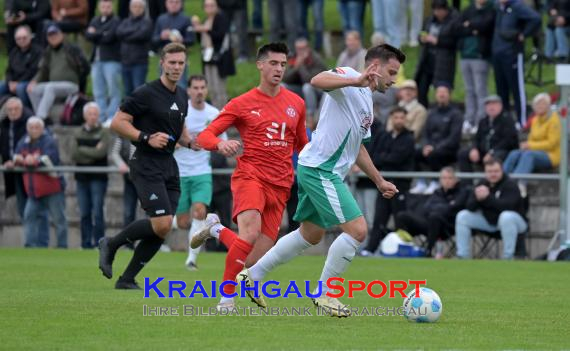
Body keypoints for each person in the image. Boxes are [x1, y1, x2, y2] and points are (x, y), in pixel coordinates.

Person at [237, 44, 404, 317]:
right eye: (391, 72)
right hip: (320, 170)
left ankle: (252, 275)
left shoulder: (367, 104)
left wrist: (379, 180)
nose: (394, 79)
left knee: (310, 234)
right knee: (358, 230)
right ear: (374, 66)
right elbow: (316, 80)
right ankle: (326, 293)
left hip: (320, 169)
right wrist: (355, 79)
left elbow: (358, 147)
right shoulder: (349, 76)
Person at [192, 42, 309, 310]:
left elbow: (303, 144)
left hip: (281, 185)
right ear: (260, 65)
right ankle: (226, 298)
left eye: (282, 64)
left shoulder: (296, 103)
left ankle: (216, 229)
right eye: (273, 63)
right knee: (249, 233)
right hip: (251, 177)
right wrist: (220, 144)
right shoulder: (242, 103)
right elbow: (205, 135)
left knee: (255, 257)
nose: (279, 68)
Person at [98, 43, 197, 289]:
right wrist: (146, 137)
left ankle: (127, 279)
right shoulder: (145, 93)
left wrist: (193, 142)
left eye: (180, 63)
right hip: (145, 163)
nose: (176, 67)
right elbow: (117, 123)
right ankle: (111, 243)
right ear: (161, 63)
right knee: (162, 223)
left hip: (169, 165)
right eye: (172, 62)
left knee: (162, 229)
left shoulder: (183, 95)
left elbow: (181, 131)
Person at [172, 75, 227, 270]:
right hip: (180, 173)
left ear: (206, 90)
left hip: (202, 172)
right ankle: (164, 223)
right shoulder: (180, 111)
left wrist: (220, 146)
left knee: (199, 212)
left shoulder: (213, 114)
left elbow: (221, 141)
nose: (199, 91)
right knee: (183, 222)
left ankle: (191, 260)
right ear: (188, 90)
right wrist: (178, 145)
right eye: (195, 87)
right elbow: (168, 138)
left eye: (202, 87)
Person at [360, 106, 415, 257]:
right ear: (391, 118)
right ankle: (370, 250)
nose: (399, 120)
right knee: (379, 219)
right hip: (384, 184)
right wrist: (386, 158)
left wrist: (385, 158)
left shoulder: (409, 138)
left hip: (400, 186)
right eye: (396, 117)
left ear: (406, 119)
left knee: (400, 219)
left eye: (402, 117)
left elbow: (397, 158)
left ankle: (400, 249)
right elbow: (376, 157)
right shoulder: (386, 136)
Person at [456, 158, 527, 259]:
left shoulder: (510, 184)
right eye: (489, 171)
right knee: (462, 216)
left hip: (517, 223)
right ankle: (462, 255)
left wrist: (487, 198)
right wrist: (477, 198)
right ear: (485, 172)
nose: (493, 174)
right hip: (491, 222)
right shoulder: (482, 184)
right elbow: (469, 207)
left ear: (502, 171)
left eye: (496, 171)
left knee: (506, 217)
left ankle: (508, 256)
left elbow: (507, 207)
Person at [14, 117, 68, 248]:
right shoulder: (23, 141)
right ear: (27, 129)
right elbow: (16, 155)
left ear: (42, 129)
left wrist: (35, 160)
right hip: (34, 191)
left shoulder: (49, 141)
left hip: (52, 189)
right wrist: (20, 159)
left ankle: (62, 247)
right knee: (28, 216)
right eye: (31, 127)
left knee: (59, 220)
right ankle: (30, 246)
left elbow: (50, 158)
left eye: (36, 127)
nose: (34, 130)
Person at [395, 167, 468, 258]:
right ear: (440, 180)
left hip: (447, 227)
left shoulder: (462, 192)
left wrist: (440, 207)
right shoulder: (437, 192)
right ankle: (402, 247)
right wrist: (444, 206)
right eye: (444, 178)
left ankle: (428, 251)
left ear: (455, 180)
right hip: (430, 224)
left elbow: (451, 209)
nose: (447, 181)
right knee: (402, 216)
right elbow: (427, 208)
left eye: (450, 178)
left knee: (435, 216)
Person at [492, 0, 541, 126]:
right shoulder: (498, 7)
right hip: (498, 53)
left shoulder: (517, 6)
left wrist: (524, 34)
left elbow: (535, 18)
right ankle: (505, 122)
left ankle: (522, 121)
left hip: (512, 53)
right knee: (501, 90)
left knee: (516, 88)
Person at [27, 24, 90, 121]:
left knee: (50, 87)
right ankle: (44, 117)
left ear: (61, 35)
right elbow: (43, 70)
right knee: (32, 89)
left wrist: (81, 86)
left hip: (72, 85)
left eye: (55, 34)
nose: (53, 37)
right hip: (55, 86)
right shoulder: (48, 51)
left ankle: (40, 118)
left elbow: (85, 67)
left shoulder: (71, 48)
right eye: (50, 35)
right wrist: (34, 81)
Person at [503, 93, 561, 197]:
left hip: (551, 155)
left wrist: (530, 145)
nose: (540, 107)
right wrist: (526, 145)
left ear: (548, 106)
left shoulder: (554, 120)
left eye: (543, 104)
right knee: (514, 153)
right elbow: (531, 139)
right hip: (535, 151)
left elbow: (552, 143)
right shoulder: (535, 120)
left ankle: (517, 184)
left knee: (528, 155)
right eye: (537, 105)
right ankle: (501, 180)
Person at [71, 102, 112, 249]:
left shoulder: (104, 132)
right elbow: (74, 154)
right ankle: (85, 244)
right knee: (84, 212)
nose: (93, 117)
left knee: (98, 211)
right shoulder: (77, 132)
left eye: (95, 114)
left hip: (98, 179)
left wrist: (83, 149)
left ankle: (99, 243)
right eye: (90, 114)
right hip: (82, 178)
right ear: (84, 115)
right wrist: (92, 152)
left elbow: (101, 153)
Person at [410, 84, 463, 195]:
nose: (441, 94)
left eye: (444, 92)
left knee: (434, 154)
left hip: (448, 149)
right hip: (431, 147)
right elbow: (425, 133)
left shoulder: (456, 114)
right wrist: (425, 146)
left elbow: (454, 137)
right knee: (414, 152)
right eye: (439, 92)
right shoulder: (432, 113)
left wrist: (434, 148)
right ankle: (421, 182)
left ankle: (435, 181)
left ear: (449, 95)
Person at [457, 0, 496, 133]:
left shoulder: (491, 9)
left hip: (480, 56)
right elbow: (459, 28)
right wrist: (474, 28)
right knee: (469, 90)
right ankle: (469, 119)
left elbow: (486, 26)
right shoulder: (468, 10)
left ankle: (481, 120)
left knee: (480, 89)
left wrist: (471, 25)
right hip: (465, 56)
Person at [191, 0, 236, 109]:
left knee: (219, 88)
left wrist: (206, 30)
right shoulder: (206, 20)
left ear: (216, 6)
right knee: (210, 88)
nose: (209, 8)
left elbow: (220, 36)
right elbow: (200, 40)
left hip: (219, 59)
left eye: (212, 5)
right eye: (207, 6)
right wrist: (199, 30)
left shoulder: (221, 18)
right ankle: (215, 114)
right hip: (207, 58)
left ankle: (222, 113)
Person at [457, 95, 518, 173]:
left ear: (500, 106)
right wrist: (474, 149)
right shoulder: (483, 121)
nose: (491, 107)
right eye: (488, 105)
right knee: (463, 154)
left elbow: (508, 141)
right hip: (484, 152)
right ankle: (467, 183)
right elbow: (477, 138)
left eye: (494, 104)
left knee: (496, 157)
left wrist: (492, 152)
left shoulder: (507, 120)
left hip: (501, 152)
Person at [414, 0, 459, 107]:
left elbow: (455, 42)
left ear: (446, 10)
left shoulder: (453, 21)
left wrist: (437, 41)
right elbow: (421, 34)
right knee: (421, 88)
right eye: (435, 10)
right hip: (427, 59)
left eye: (440, 10)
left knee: (442, 90)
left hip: (443, 62)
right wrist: (421, 39)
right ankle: (423, 111)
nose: (437, 13)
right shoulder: (429, 20)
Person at [84, 0, 122, 124]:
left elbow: (110, 37)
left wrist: (96, 33)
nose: (105, 8)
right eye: (103, 6)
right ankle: (100, 117)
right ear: (99, 7)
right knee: (98, 91)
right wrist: (102, 33)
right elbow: (88, 35)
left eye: (108, 6)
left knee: (113, 90)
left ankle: (111, 116)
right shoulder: (95, 20)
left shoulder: (116, 20)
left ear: (112, 7)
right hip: (96, 60)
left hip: (111, 60)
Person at [152, 0, 195, 88]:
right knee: (162, 86)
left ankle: (179, 102)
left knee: (180, 85)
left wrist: (181, 40)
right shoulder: (161, 19)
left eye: (176, 2)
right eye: (171, 2)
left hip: (179, 59)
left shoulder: (186, 19)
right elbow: (154, 40)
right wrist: (161, 36)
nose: (174, 5)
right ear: (166, 4)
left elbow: (191, 39)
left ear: (181, 4)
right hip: (164, 59)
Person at [282, 38, 327, 121]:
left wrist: (301, 65)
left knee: (307, 87)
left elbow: (310, 80)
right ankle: (286, 112)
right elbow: (285, 78)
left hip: (317, 91)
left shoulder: (316, 59)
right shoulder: (293, 58)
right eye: (298, 49)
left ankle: (311, 116)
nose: (300, 51)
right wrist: (295, 68)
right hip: (300, 90)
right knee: (282, 86)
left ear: (308, 48)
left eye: (302, 48)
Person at [116, 0, 153, 96]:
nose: (137, 9)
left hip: (139, 63)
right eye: (134, 6)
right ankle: (129, 111)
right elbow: (119, 33)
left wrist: (126, 35)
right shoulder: (125, 21)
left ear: (143, 8)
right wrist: (134, 30)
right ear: (130, 8)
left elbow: (141, 35)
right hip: (125, 62)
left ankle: (139, 111)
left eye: (139, 6)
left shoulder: (147, 22)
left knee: (139, 91)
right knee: (127, 91)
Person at [0, 25, 43, 108]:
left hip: (29, 82)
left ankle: (25, 110)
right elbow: (9, 70)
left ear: (30, 37)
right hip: (14, 82)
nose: (21, 40)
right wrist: (10, 82)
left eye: (24, 37)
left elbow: (33, 71)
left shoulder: (38, 51)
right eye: (18, 38)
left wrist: (17, 83)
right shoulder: (14, 52)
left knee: (20, 87)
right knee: (1, 85)